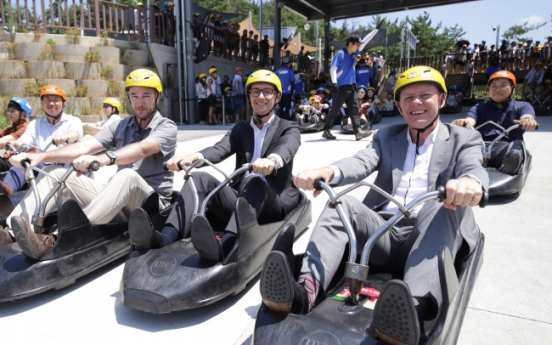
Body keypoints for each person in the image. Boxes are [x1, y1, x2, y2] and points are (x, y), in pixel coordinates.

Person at [260, 66, 489, 345]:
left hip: (430, 232)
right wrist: (329, 171)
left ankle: (412, 312)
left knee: (444, 206)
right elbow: (362, 160)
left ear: (441, 100)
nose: (416, 103)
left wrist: (469, 182)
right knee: (340, 202)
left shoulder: (463, 138)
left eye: (425, 95)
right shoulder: (386, 135)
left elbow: (472, 166)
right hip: (384, 232)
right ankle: (305, 290)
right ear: (399, 106)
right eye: (408, 98)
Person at [126, 70, 301, 264]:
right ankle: (164, 237)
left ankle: (225, 247)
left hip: (272, 201)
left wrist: (272, 161)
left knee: (253, 181)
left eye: (267, 92)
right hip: (243, 200)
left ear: (277, 97)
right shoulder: (241, 129)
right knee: (199, 178)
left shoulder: (288, 127)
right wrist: (193, 157)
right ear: (249, 96)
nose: (260, 97)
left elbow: (287, 147)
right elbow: (220, 149)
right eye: (255, 91)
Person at [0, 69, 177, 258]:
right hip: (119, 198)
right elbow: (85, 146)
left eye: (146, 96)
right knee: (55, 173)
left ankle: (54, 239)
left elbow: (142, 149)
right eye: (134, 95)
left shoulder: (167, 127)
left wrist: (103, 158)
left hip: (151, 203)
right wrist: (42, 157)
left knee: (127, 176)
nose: (139, 102)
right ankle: (10, 234)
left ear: (157, 97)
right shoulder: (121, 125)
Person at [0, 86, 82, 196]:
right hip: (42, 166)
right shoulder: (35, 124)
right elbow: (24, 141)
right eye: (47, 100)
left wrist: (67, 137)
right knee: (21, 160)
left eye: (56, 100)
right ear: (42, 103)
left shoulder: (73, 121)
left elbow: (76, 133)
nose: (51, 103)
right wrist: (10, 144)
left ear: (63, 103)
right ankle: (6, 191)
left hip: (65, 168)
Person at [453, 70, 538, 175]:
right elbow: (470, 120)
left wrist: (527, 121)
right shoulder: (480, 107)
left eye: (503, 85)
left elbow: (527, 116)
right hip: (481, 146)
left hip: (506, 147)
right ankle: (468, 168)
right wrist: (463, 122)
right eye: (494, 86)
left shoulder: (522, 106)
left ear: (512, 88)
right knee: (464, 149)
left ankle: (509, 168)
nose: (498, 89)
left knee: (517, 145)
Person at [323, 35, 374, 141]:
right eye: (357, 44)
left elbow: (365, 42)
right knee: (335, 110)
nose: (358, 47)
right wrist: (334, 83)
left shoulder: (354, 54)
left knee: (354, 109)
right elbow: (333, 69)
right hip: (341, 87)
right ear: (350, 44)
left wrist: (375, 30)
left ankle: (358, 132)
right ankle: (326, 130)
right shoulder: (340, 54)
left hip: (352, 87)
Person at [0, 97, 32, 174]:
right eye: (9, 111)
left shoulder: (25, 128)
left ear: (23, 114)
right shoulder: (12, 128)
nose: (10, 114)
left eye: (13, 111)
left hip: (18, 162)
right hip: (9, 160)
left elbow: (8, 138)